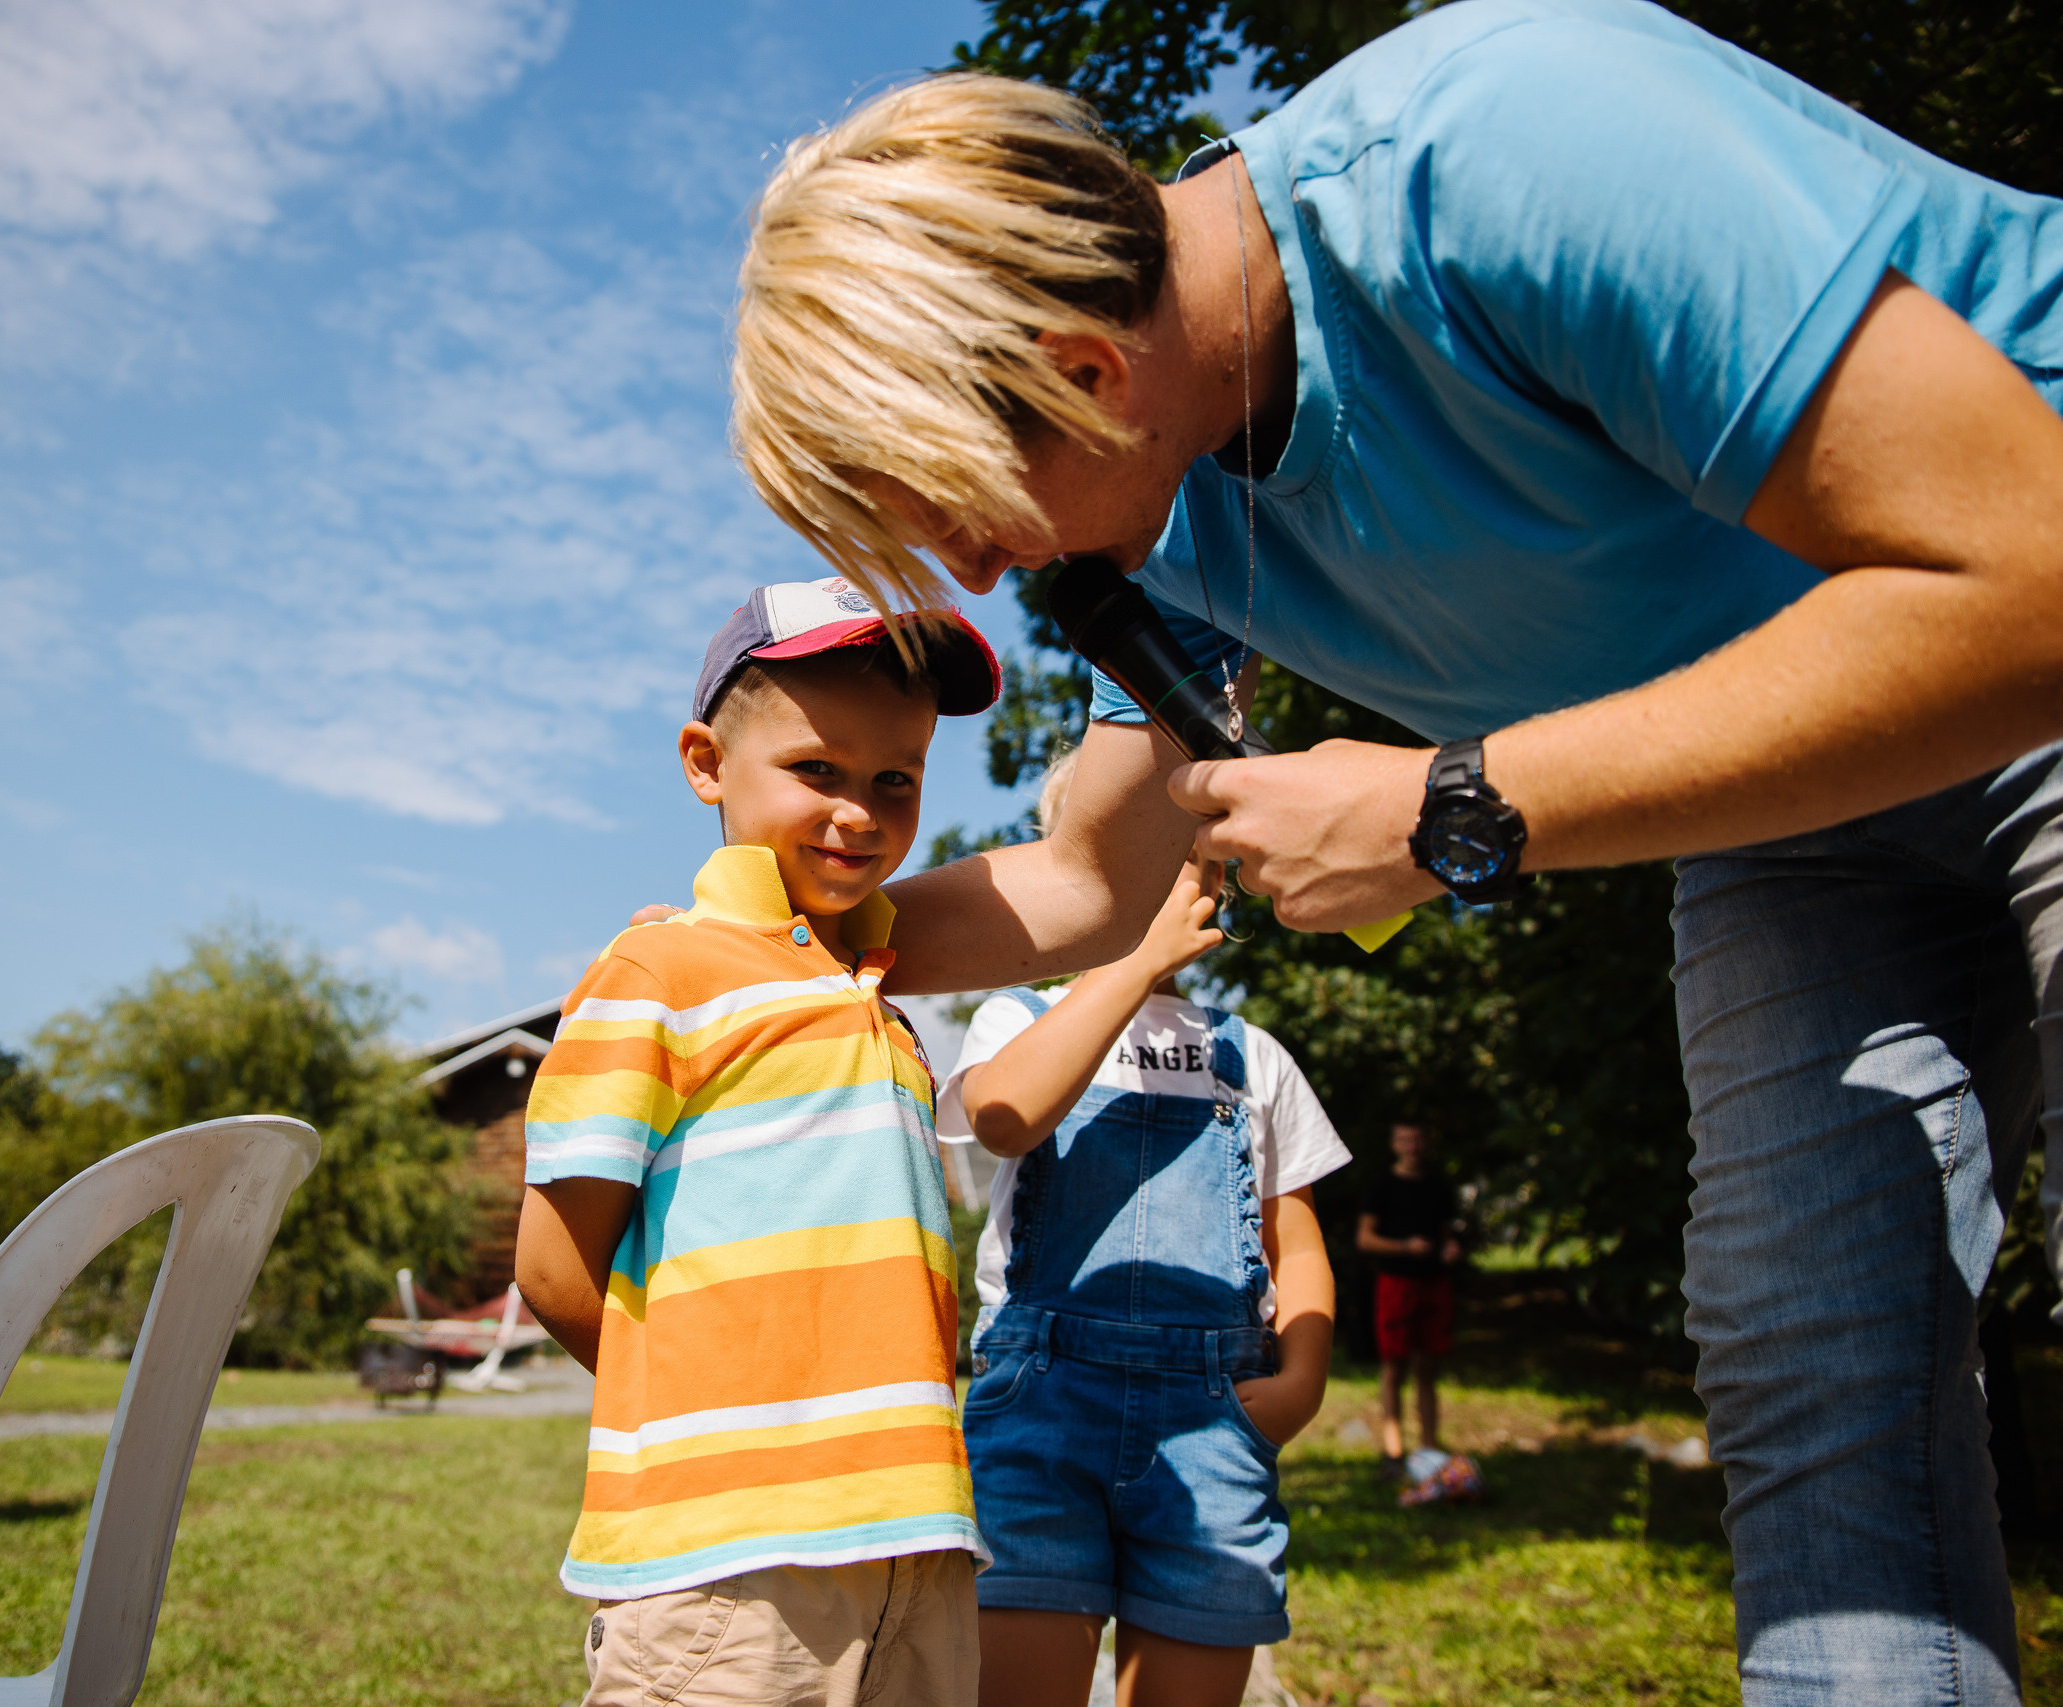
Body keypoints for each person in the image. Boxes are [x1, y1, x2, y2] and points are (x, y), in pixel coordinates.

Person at [728, 6, 2063, 1699]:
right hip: (1796, 813)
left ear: (1082, 369)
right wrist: (753, 947)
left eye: (956, 509)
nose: (982, 574)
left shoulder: (1506, 146)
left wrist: (1454, 804)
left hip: (2023, 595)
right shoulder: (1164, 508)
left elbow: (2031, 566)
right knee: (1813, 1373)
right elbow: (1095, 881)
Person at [513, 577, 1002, 1707]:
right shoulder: (657, 970)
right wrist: (729, 1409)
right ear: (704, 764)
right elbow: (552, 1265)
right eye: (816, 772)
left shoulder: (884, 994)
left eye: (897, 780)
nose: (860, 813)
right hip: (731, 1563)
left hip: (916, 1543)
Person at [938, 745, 1346, 1707]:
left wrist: (1300, 1384)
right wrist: (1136, 957)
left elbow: (1300, 1239)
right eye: (1124, 856)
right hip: (1042, 1410)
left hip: (1212, 1420)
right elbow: (1006, 1115)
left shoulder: (1252, 1057)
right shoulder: (1019, 1019)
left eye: (1181, 851)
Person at [1355, 1124, 1463, 1464]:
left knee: (1428, 1366)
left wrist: (1449, 1249)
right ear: (1393, 1144)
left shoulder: (1438, 1188)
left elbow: (1447, 1235)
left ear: (1427, 1143)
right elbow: (1365, 1239)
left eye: (1417, 1139)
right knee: (1394, 1367)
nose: (1412, 1146)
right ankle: (1393, 1449)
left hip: (1434, 1282)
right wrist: (1404, 1247)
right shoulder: (1381, 1187)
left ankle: (1429, 1448)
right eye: (1404, 1139)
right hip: (1396, 1283)